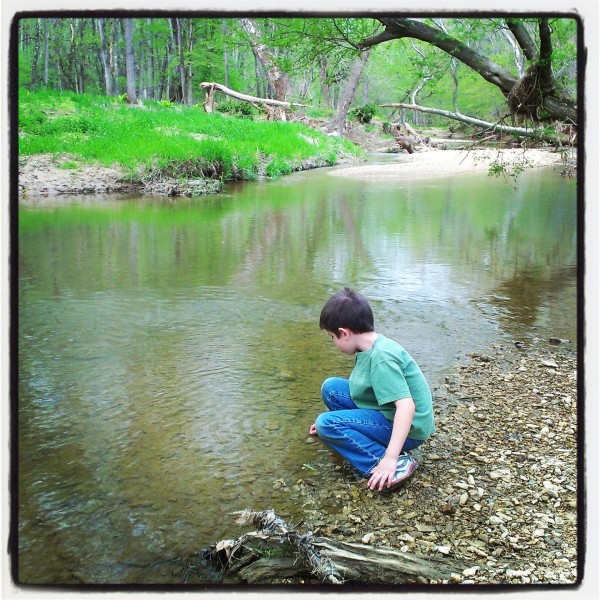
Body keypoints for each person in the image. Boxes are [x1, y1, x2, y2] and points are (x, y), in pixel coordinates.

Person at [309, 288, 435, 493]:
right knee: (331, 388)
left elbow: (406, 406)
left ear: (345, 333)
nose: (334, 344)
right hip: (386, 413)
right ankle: (346, 432)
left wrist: (390, 458)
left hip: (410, 428)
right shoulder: (368, 346)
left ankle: (391, 463)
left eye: (332, 337)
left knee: (326, 423)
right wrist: (340, 420)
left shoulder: (382, 358)